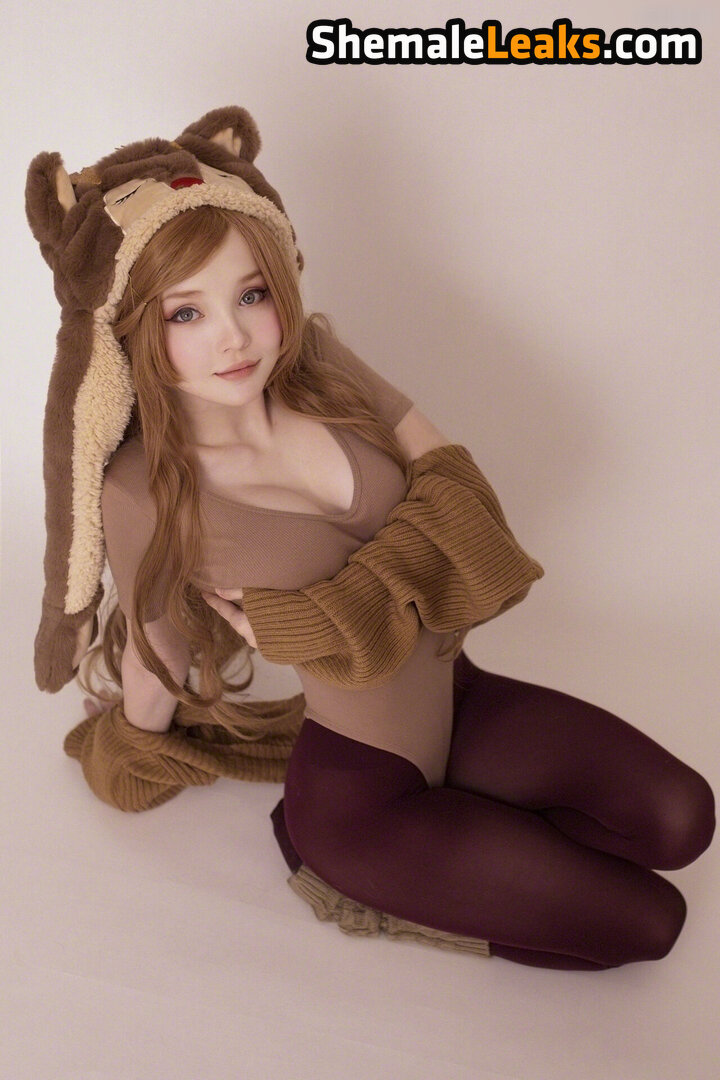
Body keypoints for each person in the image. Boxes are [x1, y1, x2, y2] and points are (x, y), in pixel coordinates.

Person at [28, 107, 715, 971]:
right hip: (363, 797)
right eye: (185, 313)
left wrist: (322, 617)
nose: (234, 336)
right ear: (131, 325)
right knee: (652, 924)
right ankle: (340, 871)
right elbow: (156, 650)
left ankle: (476, 836)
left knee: (685, 817)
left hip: (461, 701)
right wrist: (129, 750)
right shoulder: (141, 491)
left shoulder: (317, 364)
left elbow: (470, 497)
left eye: (251, 294)